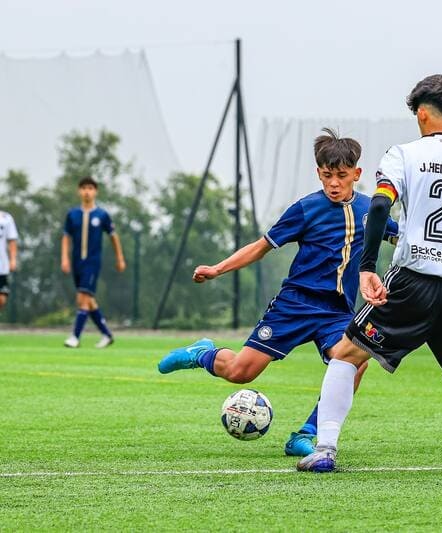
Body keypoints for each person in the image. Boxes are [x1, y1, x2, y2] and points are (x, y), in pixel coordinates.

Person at [298, 74, 442, 474]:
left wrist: (367, 268)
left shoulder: (403, 154)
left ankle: (324, 450)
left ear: (421, 114)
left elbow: (379, 207)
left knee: (346, 354)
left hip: (412, 281)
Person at [157, 128, 399, 457]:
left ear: (356, 174)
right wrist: (217, 269)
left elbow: (403, 239)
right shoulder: (305, 209)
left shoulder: (372, 211)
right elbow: (261, 247)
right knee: (240, 372)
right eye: (327, 175)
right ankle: (202, 353)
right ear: (318, 173)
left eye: (341, 176)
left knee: (354, 363)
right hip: (294, 305)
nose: (333, 183)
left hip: (337, 312)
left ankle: (307, 435)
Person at [62, 176, 126, 348]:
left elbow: (113, 237)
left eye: (90, 188)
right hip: (77, 262)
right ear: (79, 191)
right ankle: (107, 334)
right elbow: (66, 237)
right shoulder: (72, 215)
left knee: (83, 298)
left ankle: (75, 337)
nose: (87, 192)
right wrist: (65, 258)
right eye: (84, 188)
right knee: (88, 301)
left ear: (95, 191)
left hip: (92, 262)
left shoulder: (102, 215)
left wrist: (120, 258)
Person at [0, 210, 19, 312]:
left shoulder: (6, 218)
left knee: (2, 299)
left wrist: (13, 260)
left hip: (2, 266)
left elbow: (12, 240)